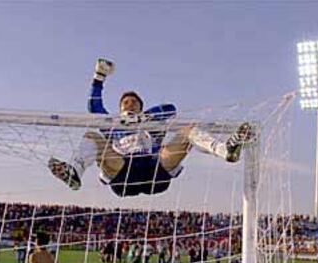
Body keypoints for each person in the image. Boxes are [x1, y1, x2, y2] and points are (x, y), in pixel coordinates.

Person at [48, 59, 255, 197]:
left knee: (187, 130)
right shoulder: (113, 125)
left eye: (134, 102)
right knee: (92, 135)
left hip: (155, 167)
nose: (130, 104)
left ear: (141, 107)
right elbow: (94, 106)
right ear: (120, 110)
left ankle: (226, 150)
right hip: (122, 170)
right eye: (126, 103)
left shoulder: (152, 123)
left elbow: (170, 108)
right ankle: (73, 172)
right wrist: (98, 78)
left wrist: (145, 118)